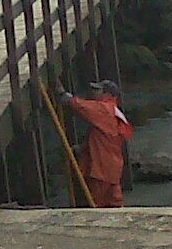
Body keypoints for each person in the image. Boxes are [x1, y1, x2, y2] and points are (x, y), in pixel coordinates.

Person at [56, 79, 133, 208]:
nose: (93, 93)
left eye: (98, 90)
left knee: (95, 204)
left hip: (100, 168)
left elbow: (79, 105)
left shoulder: (104, 109)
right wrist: (82, 149)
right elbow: (105, 138)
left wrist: (62, 94)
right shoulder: (115, 112)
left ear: (107, 94)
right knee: (115, 204)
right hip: (113, 167)